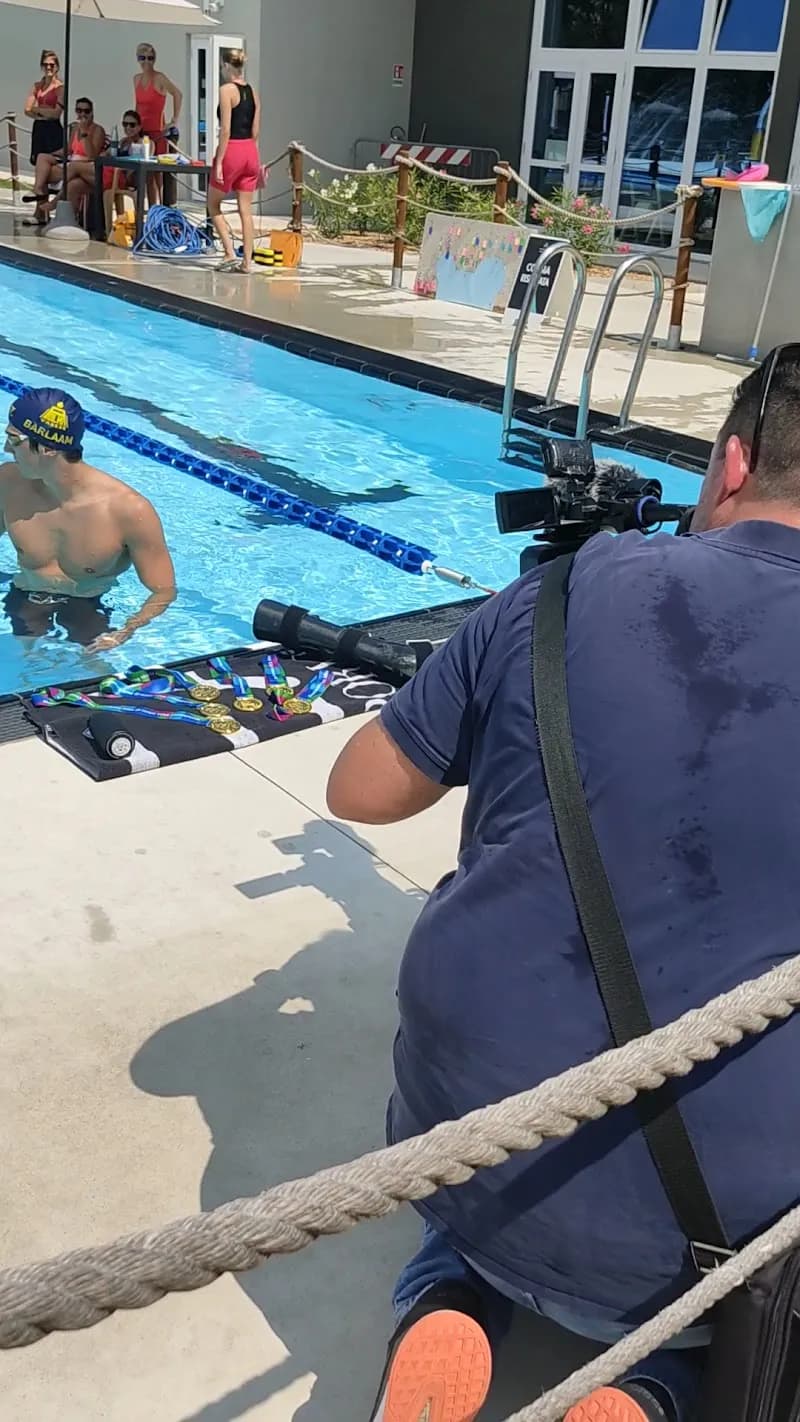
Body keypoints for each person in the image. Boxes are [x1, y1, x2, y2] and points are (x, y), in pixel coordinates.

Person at [327, 344, 800, 1422]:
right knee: (713, 1324)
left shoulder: (568, 587)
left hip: (475, 1148)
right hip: (718, 1225)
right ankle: (652, 1392)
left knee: (457, 1232)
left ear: (729, 465)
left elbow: (361, 790)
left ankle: (445, 1306)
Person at [1, 388, 175, 651]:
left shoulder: (128, 511)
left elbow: (163, 591)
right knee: (23, 668)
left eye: (14, 441)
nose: (5, 448)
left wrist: (125, 631)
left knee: (91, 668)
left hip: (89, 607)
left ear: (47, 447)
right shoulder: (8, 482)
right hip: (25, 598)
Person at [208, 48, 261, 273]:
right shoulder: (253, 92)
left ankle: (229, 252)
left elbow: (226, 129)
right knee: (245, 211)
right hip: (251, 151)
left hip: (233, 151)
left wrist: (219, 161)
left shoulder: (226, 90)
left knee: (213, 204)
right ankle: (247, 262)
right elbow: (256, 129)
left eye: (222, 66)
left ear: (227, 66)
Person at [22, 97, 105, 227]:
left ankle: (53, 203)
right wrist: (52, 155)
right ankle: (38, 198)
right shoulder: (75, 128)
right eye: (79, 110)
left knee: (62, 171)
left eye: (86, 111)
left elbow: (92, 155)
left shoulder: (97, 130)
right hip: (71, 164)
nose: (82, 114)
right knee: (42, 161)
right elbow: (69, 149)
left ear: (92, 112)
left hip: (84, 166)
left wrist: (84, 134)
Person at [133, 41, 181, 205]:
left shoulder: (159, 78)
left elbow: (177, 94)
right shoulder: (136, 79)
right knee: (146, 176)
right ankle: (152, 209)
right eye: (142, 58)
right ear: (137, 59)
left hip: (157, 132)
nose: (146, 62)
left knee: (158, 175)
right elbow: (138, 106)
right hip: (142, 132)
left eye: (150, 58)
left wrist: (174, 120)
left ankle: (161, 209)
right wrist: (133, 128)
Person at [24, 49, 64, 167]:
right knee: (37, 160)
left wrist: (37, 109)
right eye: (45, 65)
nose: (48, 68)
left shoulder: (60, 88)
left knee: (53, 161)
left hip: (53, 128)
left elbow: (56, 113)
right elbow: (27, 109)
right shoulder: (37, 86)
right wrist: (45, 112)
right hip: (39, 127)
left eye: (51, 65)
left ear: (57, 67)